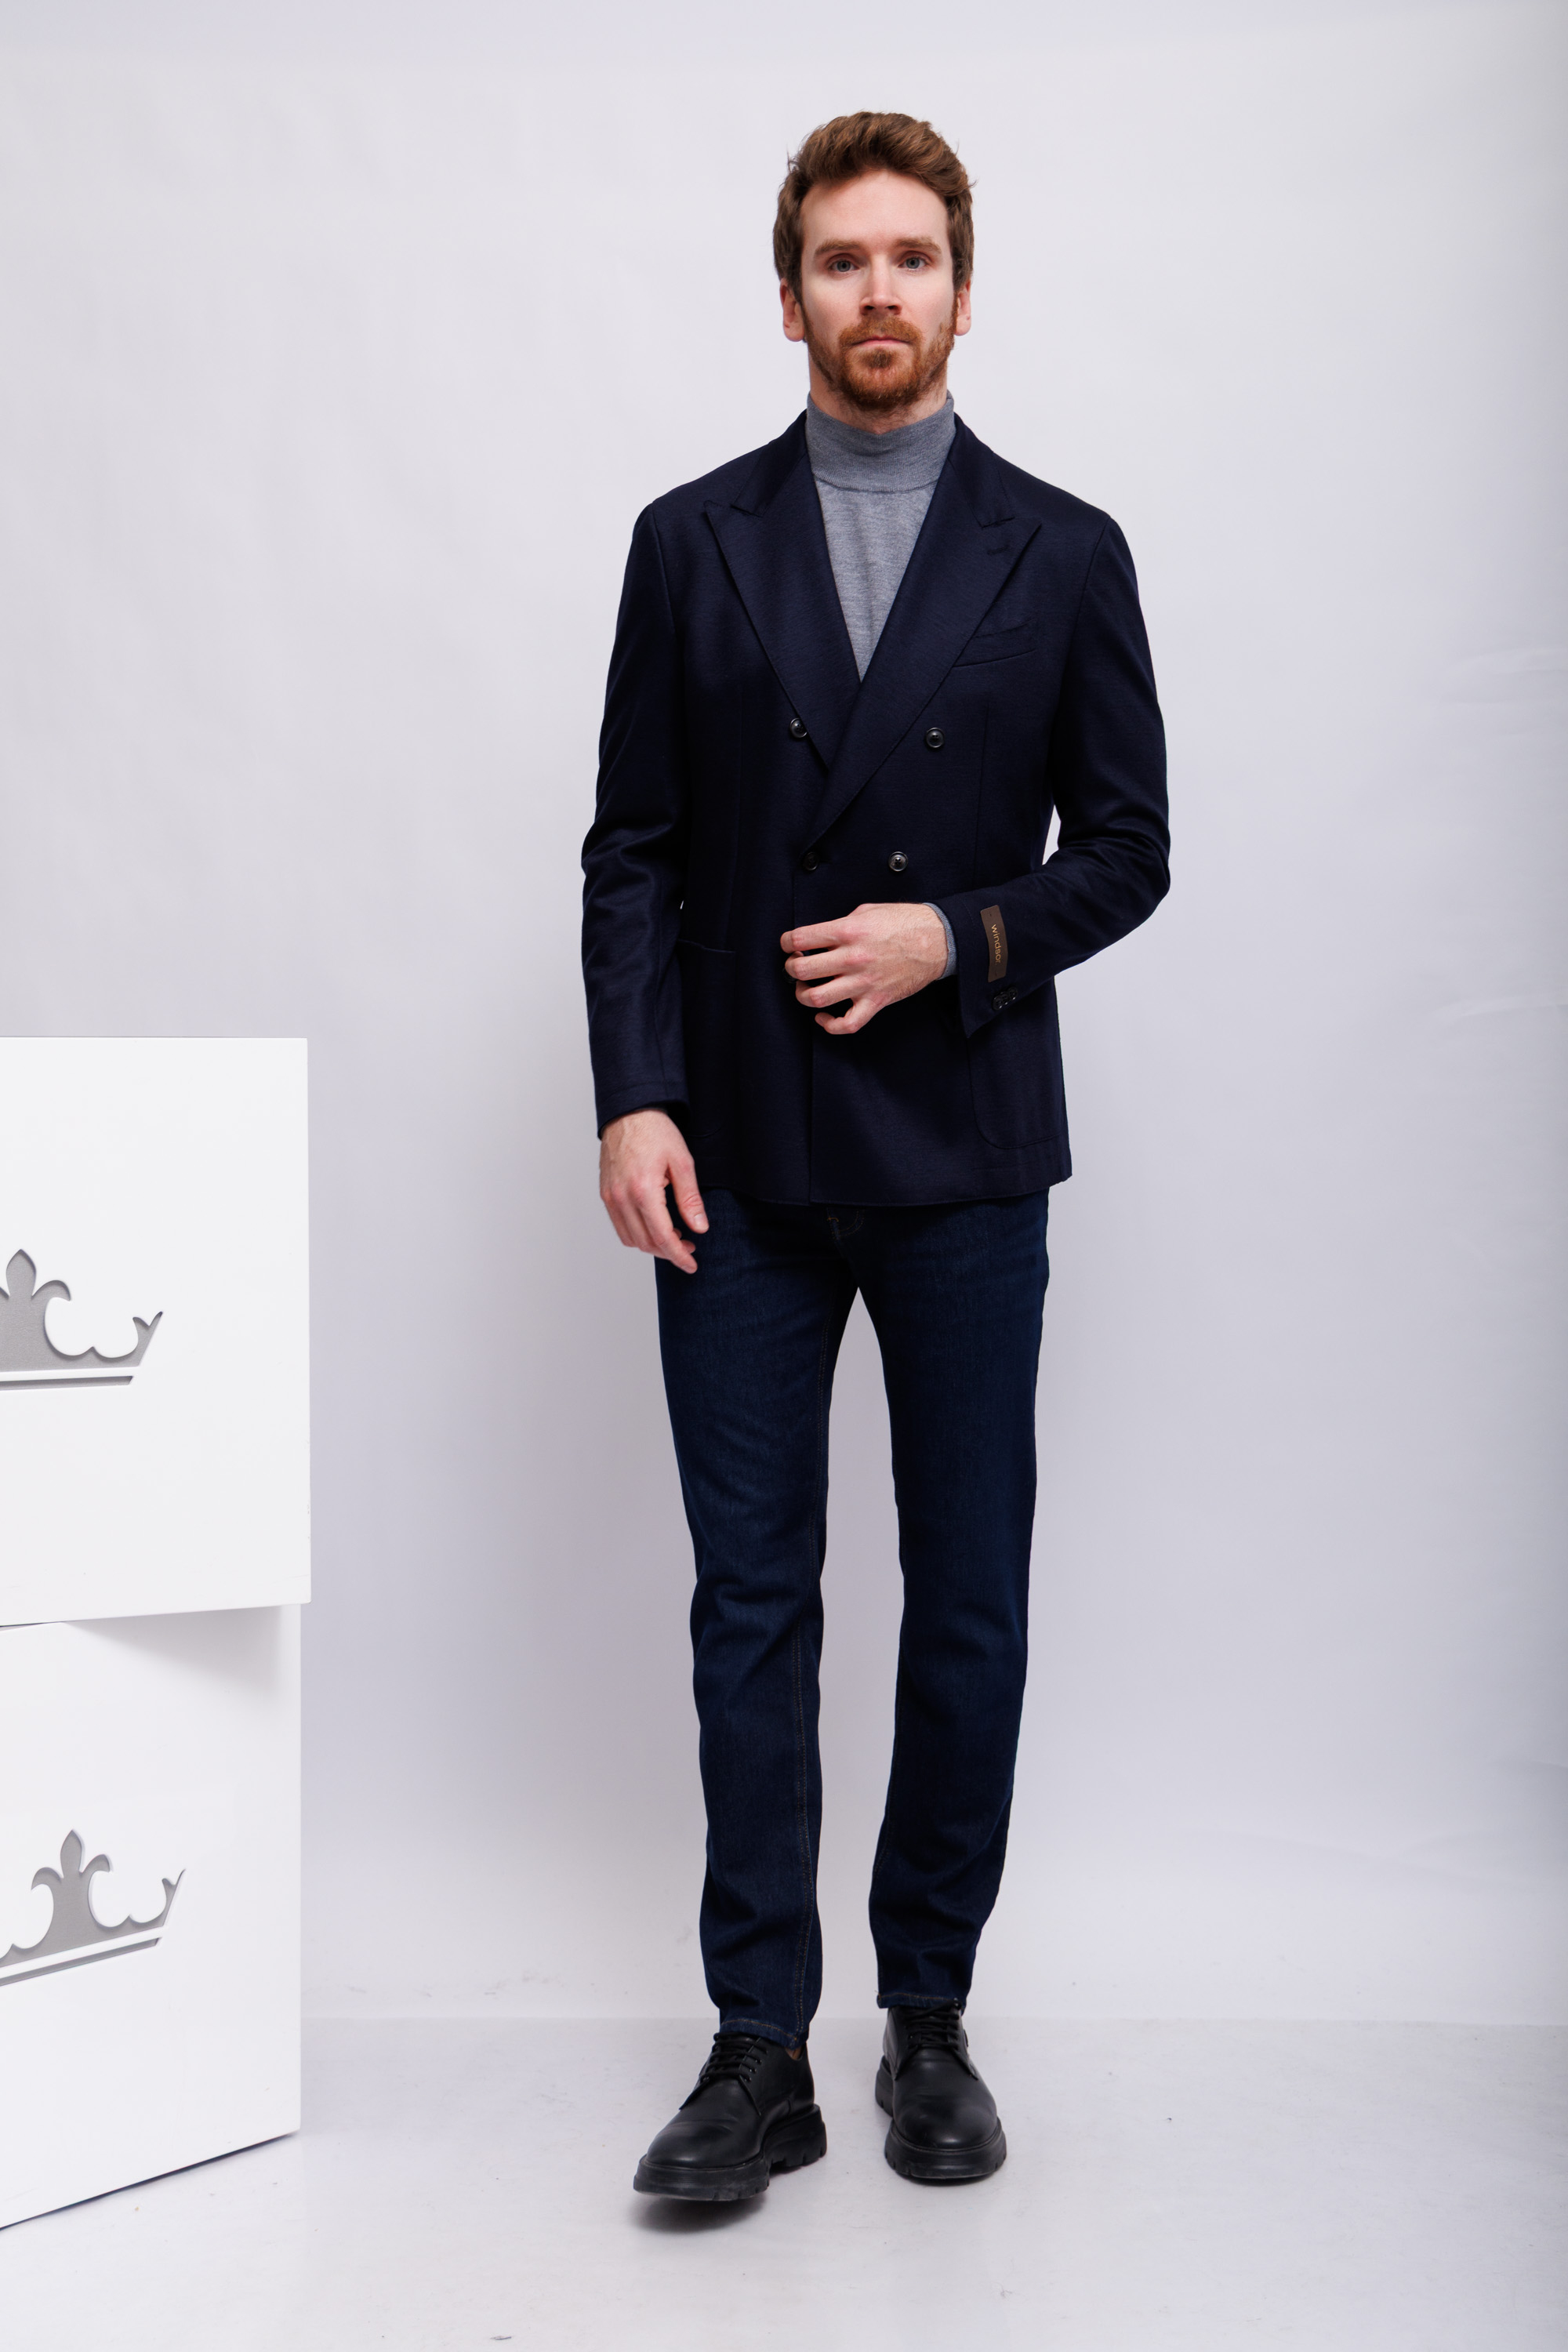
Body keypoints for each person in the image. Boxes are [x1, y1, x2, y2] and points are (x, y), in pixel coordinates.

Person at [581, 111, 1168, 2198]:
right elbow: (635, 850)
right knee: (751, 1600)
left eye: (913, 255)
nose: (881, 289)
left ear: (964, 292)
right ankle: (759, 2045)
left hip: (966, 1147)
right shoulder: (690, 541)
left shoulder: (1063, 549)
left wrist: (962, 937)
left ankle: (928, 2015)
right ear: (792, 297)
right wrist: (634, 1096)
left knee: (967, 1593)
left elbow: (1129, 851)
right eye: (843, 259)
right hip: (735, 1152)